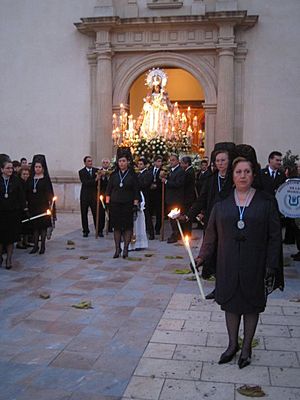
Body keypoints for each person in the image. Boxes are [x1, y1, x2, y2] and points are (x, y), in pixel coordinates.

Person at [196, 157, 283, 369]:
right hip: (228, 263)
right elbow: (210, 235)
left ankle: (247, 349)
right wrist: (201, 257)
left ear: (253, 175)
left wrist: (271, 264)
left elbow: (274, 236)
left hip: (255, 263)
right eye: (238, 172)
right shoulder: (222, 203)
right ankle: (232, 344)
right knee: (231, 305)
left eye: (247, 172)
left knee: (251, 306)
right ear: (232, 177)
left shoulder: (265, 202)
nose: (242, 175)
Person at [183, 150, 233, 288]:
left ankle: (225, 284)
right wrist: (189, 215)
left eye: (223, 160)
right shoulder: (211, 179)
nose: (220, 163)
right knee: (212, 250)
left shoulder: (234, 179)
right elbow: (201, 200)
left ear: (229, 161)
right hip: (212, 220)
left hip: (230, 221)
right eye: (218, 161)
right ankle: (217, 283)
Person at [106, 151, 139, 259]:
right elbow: (108, 190)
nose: (121, 163)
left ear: (128, 162)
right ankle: (117, 249)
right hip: (115, 204)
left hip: (128, 204)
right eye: (120, 161)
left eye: (123, 161)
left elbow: (136, 191)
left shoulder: (132, 175)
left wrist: (135, 204)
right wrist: (107, 203)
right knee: (117, 227)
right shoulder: (114, 175)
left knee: (127, 227)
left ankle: (125, 248)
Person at [0, 160, 26, 268]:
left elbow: (21, 196)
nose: (10, 170)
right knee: (1, 238)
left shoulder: (16, 180)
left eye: (11, 168)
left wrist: (21, 208)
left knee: (10, 239)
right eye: (7, 168)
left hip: (13, 214)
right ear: (2, 169)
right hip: (1, 214)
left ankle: (9, 259)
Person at [26, 156, 54, 254]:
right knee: (35, 227)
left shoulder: (45, 179)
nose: (37, 169)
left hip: (43, 206)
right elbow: (27, 191)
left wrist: (51, 202)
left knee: (43, 227)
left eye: (39, 167)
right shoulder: (31, 179)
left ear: (43, 168)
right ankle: (35, 246)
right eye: (36, 167)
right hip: (33, 206)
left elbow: (50, 193)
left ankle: (42, 246)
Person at [161, 154, 185, 243]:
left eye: (173, 160)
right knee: (171, 217)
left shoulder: (180, 171)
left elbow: (178, 184)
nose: (171, 162)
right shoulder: (171, 170)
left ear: (178, 161)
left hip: (176, 198)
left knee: (174, 217)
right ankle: (176, 233)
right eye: (170, 160)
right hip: (170, 198)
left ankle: (176, 234)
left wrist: (166, 181)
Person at [78, 156, 99, 237]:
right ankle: (85, 230)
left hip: (94, 195)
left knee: (95, 213)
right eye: (88, 161)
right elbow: (85, 182)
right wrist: (95, 180)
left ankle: (98, 229)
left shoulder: (96, 170)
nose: (90, 162)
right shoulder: (81, 172)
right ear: (85, 163)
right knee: (84, 213)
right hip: (85, 196)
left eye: (91, 161)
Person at [137, 158, 154, 240]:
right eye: (138, 164)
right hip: (138, 196)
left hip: (146, 196)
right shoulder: (138, 174)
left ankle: (151, 232)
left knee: (147, 215)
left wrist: (137, 184)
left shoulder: (148, 173)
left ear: (145, 165)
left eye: (141, 164)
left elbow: (145, 184)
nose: (139, 165)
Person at [16, 165, 31, 249]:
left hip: (27, 206)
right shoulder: (18, 183)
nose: (25, 176)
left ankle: (26, 241)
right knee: (21, 226)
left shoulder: (28, 183)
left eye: (27, 174)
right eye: (24, 174)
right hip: (20, 207)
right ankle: (20, 242)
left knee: (27, 226)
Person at [180, 156, 196, 235]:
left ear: (187, 163)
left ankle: (187, 233)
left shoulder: (189, 172)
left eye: (182, 163)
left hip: (187, 197)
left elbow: (184, 184)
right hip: (187, 197)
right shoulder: (188, 171)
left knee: (187, 215)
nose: (181, 165)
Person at [149, 155, 163, 236]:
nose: (159, 163)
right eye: (157, 161)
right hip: (150, 194)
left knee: (159, 212)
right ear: (154, 162)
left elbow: (163, 182)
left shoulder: (163, 171)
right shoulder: (150, 170)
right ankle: (150, 228)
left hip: (158, 194)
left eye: (160, 161)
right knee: (150, 211)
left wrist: (157, 186)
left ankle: (158, 228)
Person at [97, 158, 110, 237]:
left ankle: (110, 227)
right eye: (104, 162)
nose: (105, 164)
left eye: (107, 162)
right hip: (101, 195)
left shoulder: (111, 172)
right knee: (101, 213)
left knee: (110, 211)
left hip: (109, 195)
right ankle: (100, 230)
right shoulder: (99, 172)